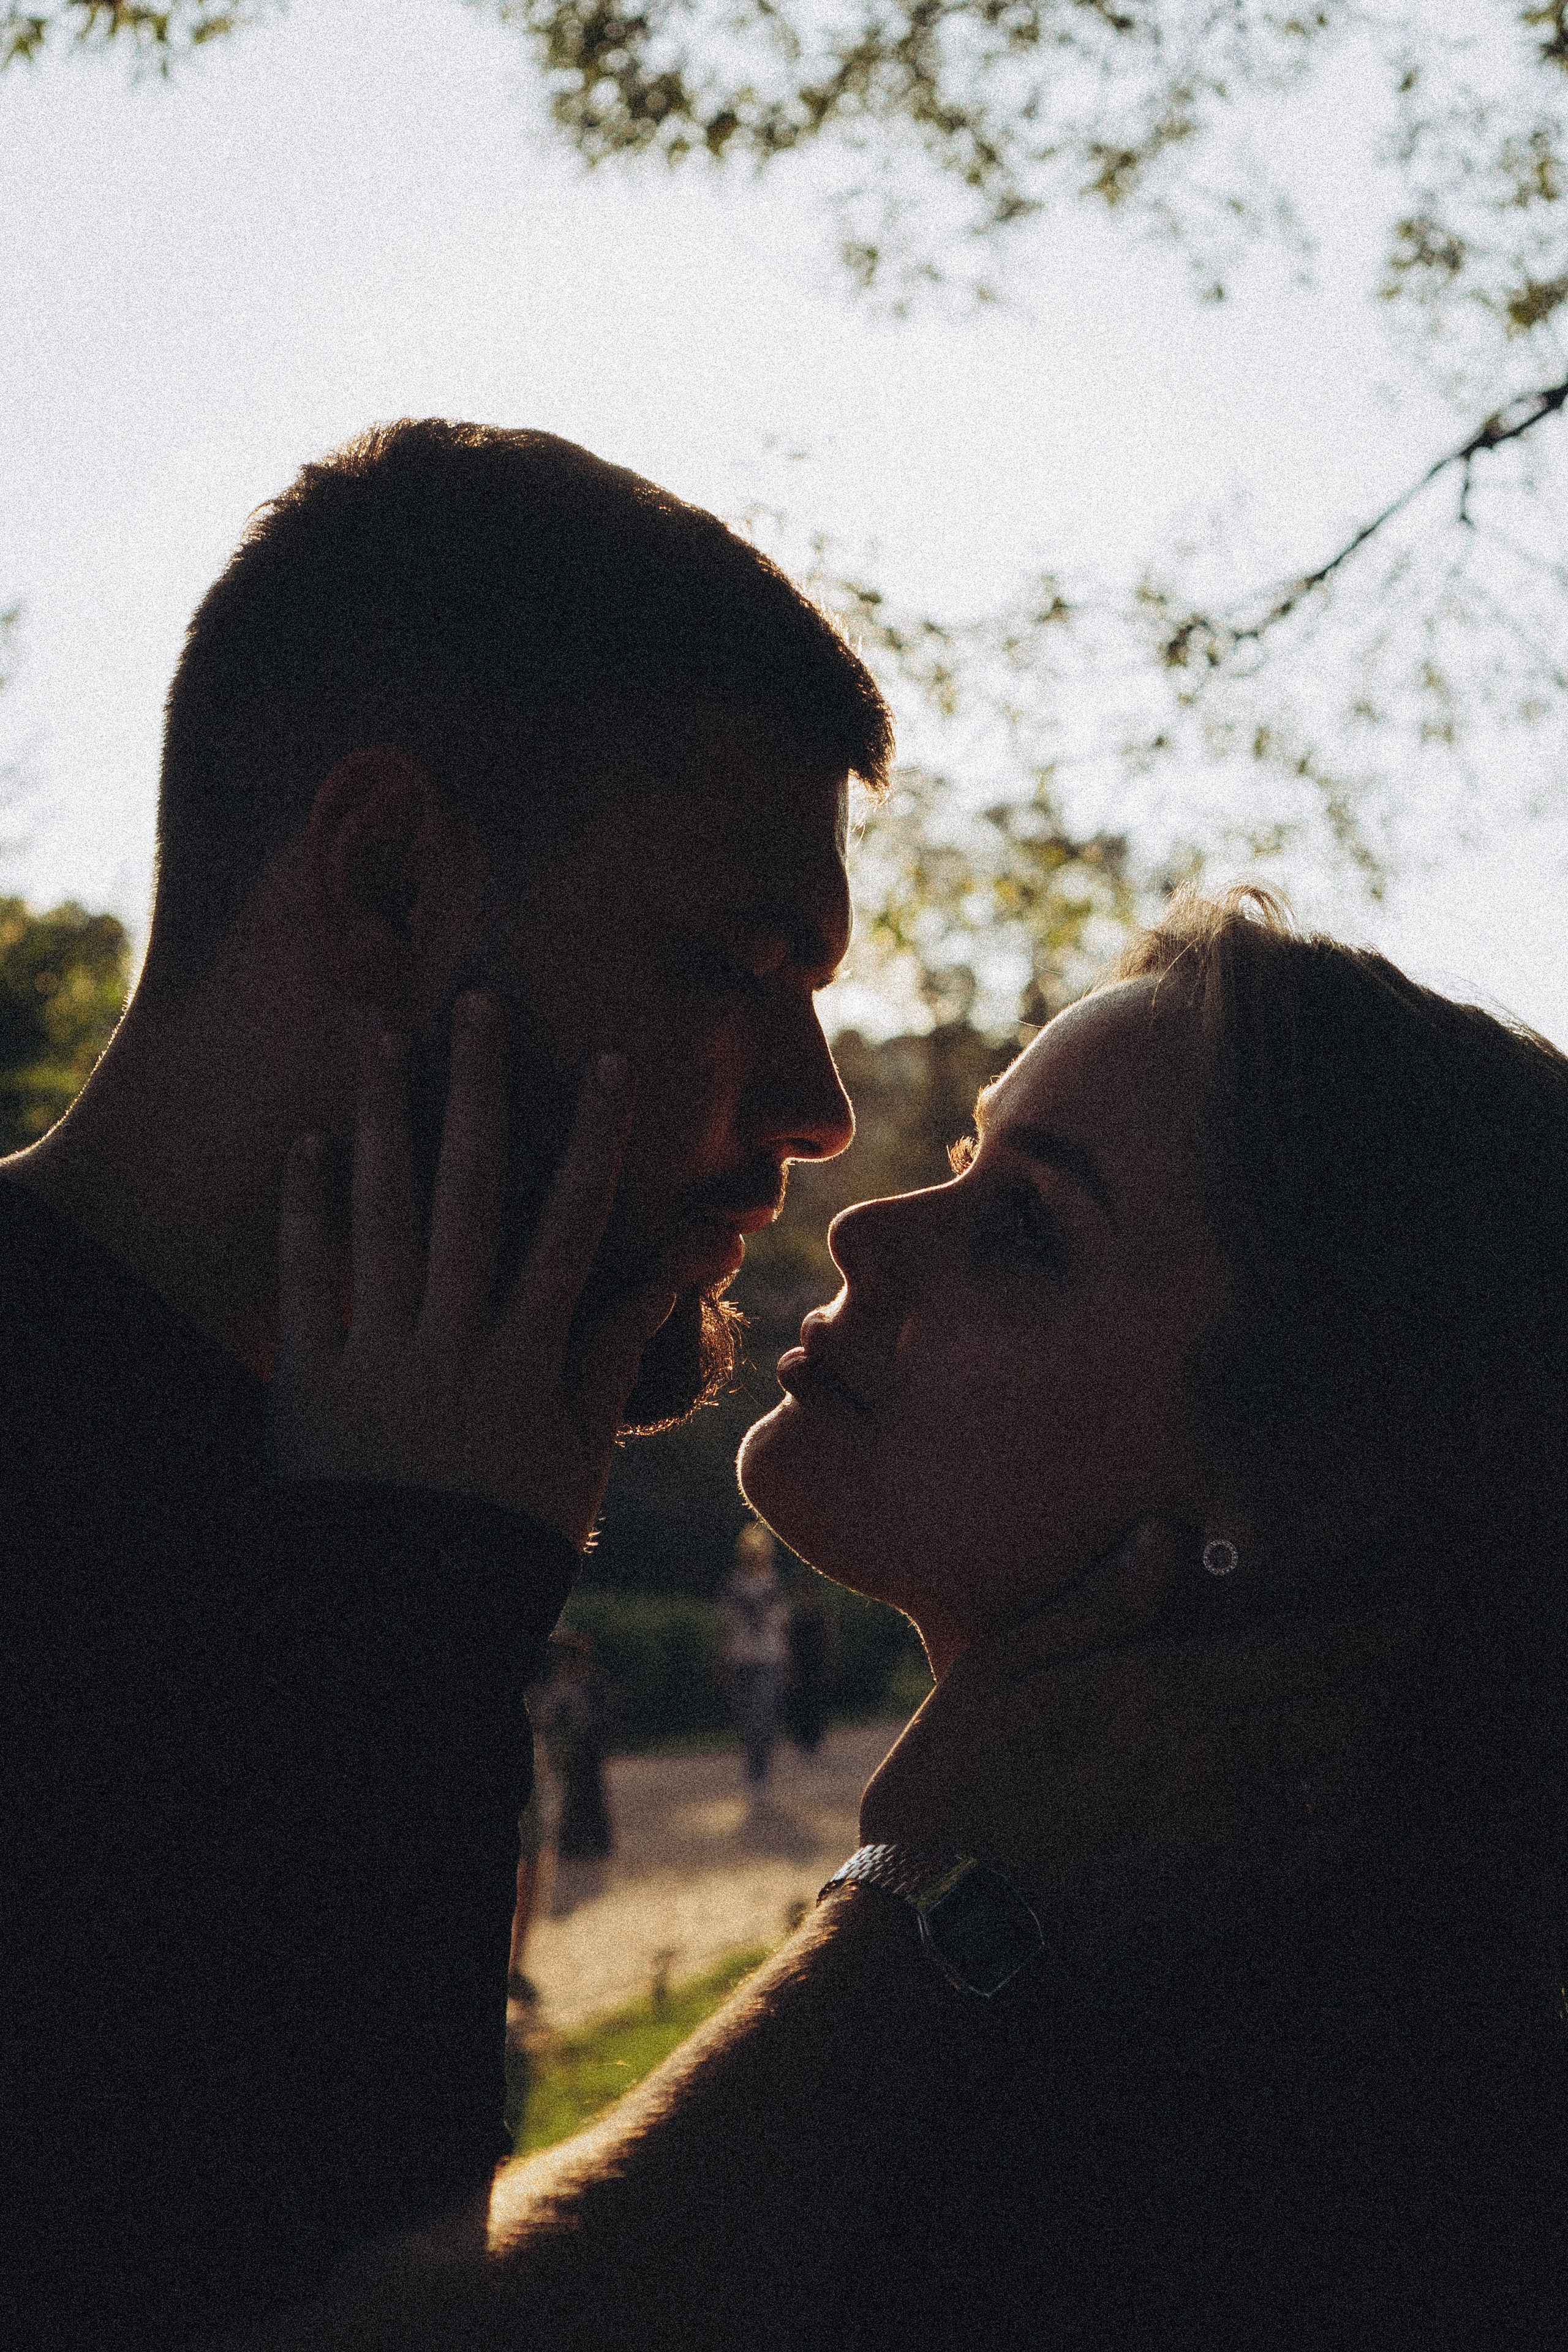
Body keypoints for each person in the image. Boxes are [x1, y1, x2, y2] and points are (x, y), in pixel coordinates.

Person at [266, 886, 1566, 2350]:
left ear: (1306, 1479)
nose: (863, 1226)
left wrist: (925, 1914)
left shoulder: (1322, 2148)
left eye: (1022, 1223)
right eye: (960, 1154)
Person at [0, 417, 891, 2349]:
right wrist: (402, 1617)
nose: (817, 1109)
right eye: (737, 960)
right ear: (388, 877)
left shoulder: (411, 1483)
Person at [718, 1521, 793, 1790]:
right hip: (739, 1659)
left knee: (763, 1717)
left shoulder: (775, 1584)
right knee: (745, 1720)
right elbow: (725, 1626)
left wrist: (787, 1662)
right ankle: (754, 1770)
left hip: (768, 1659)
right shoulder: (733, 1585)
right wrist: (722, 1661)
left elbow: (782, 1627)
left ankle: (761, 1771)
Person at [538, 1629, 616, 1861]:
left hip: (586, 1746)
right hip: (562, 1744)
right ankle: (571, 1841)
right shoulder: (553, 1686)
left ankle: (593, 1839)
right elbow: (545, 1715)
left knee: (589, 1791)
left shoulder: (592, 1684)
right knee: (567, 1794)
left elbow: (603, 1715)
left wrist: (588, 1722)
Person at [783, 1574, 832, 1754]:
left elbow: (828, 1638)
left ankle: (814, 1738)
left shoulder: (820, 1613)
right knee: (801, 1700)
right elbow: (789, 1640)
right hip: (800, 1662)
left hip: (816, 1661)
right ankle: (802, 1738)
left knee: (815, 1700)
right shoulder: (796, 1616)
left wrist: (828, 1661)